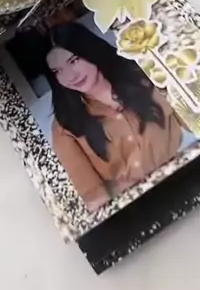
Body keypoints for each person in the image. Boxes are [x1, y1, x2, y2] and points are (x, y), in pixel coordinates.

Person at [12, 23, 184, 210]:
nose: (70, 76)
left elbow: (191, 114)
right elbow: (92, 196)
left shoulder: (142, 76)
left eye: (73, 61)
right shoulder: (64, 126)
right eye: (58, 71)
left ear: (90, 51)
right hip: (137, 205)